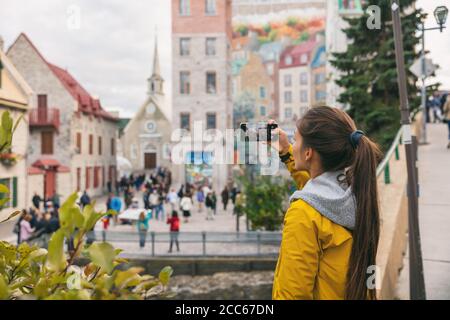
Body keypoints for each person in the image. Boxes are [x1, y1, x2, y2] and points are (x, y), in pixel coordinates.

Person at [270, 106, 382, 300]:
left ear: (308, 153)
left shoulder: (303, 214)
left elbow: (292, 295)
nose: (293, 145)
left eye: (295, 140)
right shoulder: (353, 196)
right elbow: (316, 189)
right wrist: (286, 152)